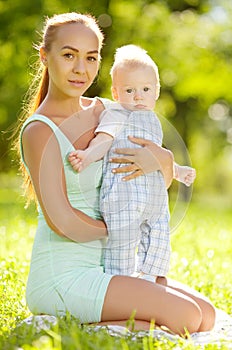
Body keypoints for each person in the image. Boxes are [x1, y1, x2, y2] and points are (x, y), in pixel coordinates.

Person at [17, 12, 215, 336]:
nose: (81, 68)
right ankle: (93, 324)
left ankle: (119, 321)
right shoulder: (40, 130)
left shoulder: (105, 110)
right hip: (65, 276)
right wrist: (124, 224)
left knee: (205, 315)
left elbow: (156, 180)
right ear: (44, 56)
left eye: (91, 57)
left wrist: (162, 161)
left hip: (109, 264)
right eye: (69, 55)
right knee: (188, 319)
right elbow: (63, 221)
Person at [68, 44, 196, 281]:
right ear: (116, 94)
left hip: (155, 199)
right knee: (122, 245)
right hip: (124, 195)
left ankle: (150, 279)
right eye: (129, 90)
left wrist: (178, 171)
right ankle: (121, 282)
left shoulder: (154, 121)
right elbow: (103, 141)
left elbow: (156, 156)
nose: (138, 96)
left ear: (156, 91)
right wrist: (87, 156)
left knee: (158, 241)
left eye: (145, 89)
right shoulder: (116, 114)